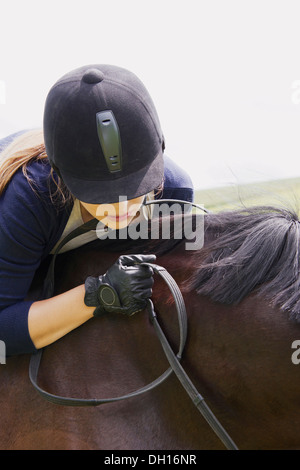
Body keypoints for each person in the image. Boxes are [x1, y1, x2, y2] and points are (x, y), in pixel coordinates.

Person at [0, 64, 194, 357]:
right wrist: (99, 293)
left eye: (134, 189)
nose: (119, 208)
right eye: (98, 194)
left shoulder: (175, 193)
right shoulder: (31, 195)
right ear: (60, 174)